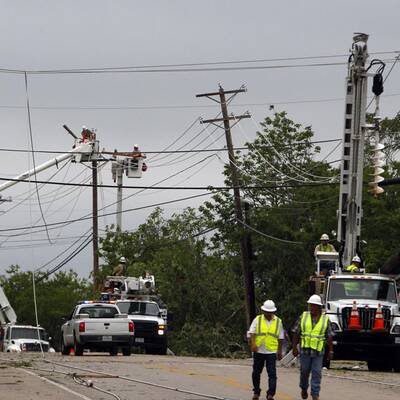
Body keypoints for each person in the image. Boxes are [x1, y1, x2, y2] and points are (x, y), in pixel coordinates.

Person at [292, 295, 333, 400]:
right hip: (305, 351)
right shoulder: (303, 316)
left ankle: (315, 394)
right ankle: (304, 388)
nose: (311, 308)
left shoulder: (325, 320)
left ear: (319, 307)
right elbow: (296, 332)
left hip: (318, 352)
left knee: (317, 372)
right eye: (310, 306)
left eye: (314, 306)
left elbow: (329, 336)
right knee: (304, 371)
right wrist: (294, 347)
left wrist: (331, 350)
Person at [248, 300, 284, 400]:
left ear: (273, 312)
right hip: (259, 350)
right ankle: (256, 391)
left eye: (270, 312)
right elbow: (252, 332)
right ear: (263, 311)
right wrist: (253, 344)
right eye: (266, 312)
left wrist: (280, 351)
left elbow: (280, 338)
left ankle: (270, 394)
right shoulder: (257, 319)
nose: (268, 314)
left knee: (272, 374)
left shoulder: (278, 321)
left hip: (271, 352)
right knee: (256, 372)